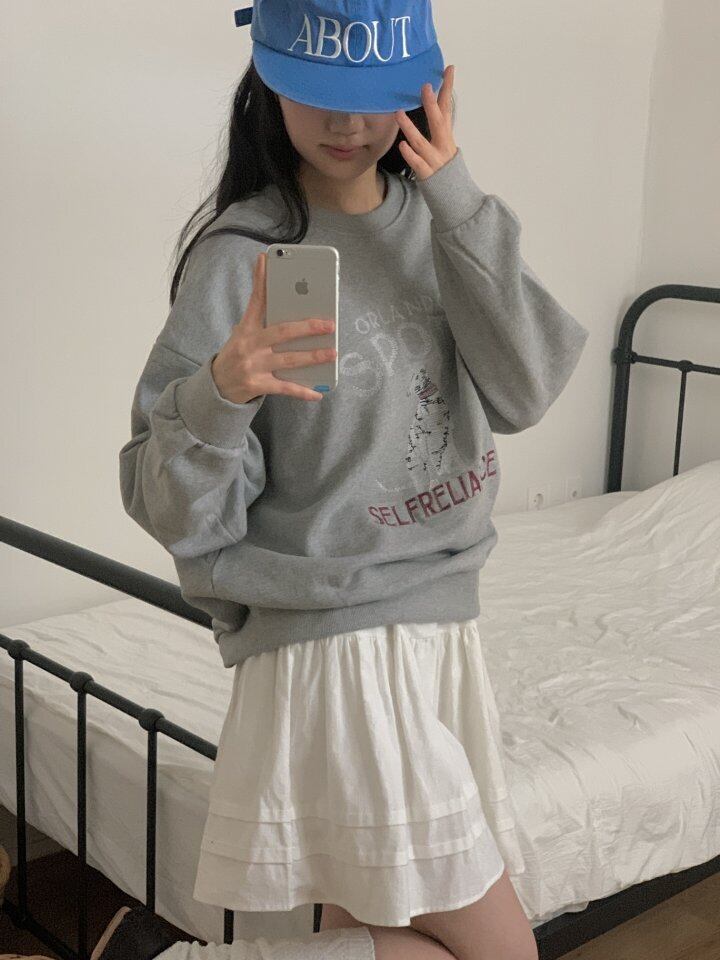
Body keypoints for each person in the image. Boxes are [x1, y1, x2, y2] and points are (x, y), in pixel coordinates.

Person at [118, 0, 589, 957]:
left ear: (422, 89)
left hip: (436, 627)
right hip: (337, 643)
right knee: (505, 952)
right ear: (271, 82)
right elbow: (175, 509)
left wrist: (458, 197)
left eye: (372, 96)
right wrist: (220, 392)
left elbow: (528, 387)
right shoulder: (245, 253)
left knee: (373, 927)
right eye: (319, 93)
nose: (347, 124)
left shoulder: (445, 226)